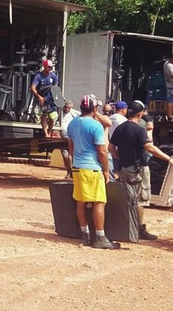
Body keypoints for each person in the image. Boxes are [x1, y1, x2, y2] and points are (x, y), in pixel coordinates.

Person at [109, 101, 173, 241]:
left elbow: (111, 148)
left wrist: (122, 158)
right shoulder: (139, 130)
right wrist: (170, 159)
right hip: (138, 169)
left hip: (124, 169)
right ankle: (139, 230)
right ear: (140, 114)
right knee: (140, 200)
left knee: (127, 198)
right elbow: (149, 147)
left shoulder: (120, 128)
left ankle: (127, 227)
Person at [67, 94, 118, 250]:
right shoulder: (95, 126)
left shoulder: (72, 124)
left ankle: (85, 235)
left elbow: (71, 147)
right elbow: (102, 151)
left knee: (81, 201)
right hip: (92, 168)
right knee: (99, 202)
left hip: (78, 167)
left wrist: (72, 163)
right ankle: (100, 237)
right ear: (95, 108)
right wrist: (106, 170)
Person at [30, 59, 59, 136]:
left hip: (50, 98)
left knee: (52, 116)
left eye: (51, 67)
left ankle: (49, 132)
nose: (51, 68)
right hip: (42, 98)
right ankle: (46, 133)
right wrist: (39, 97)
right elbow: (33, 88)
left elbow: (56, 88)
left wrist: (57, 98)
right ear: (45, 66)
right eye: (49, 67)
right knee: (44, 114)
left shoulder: (53, 76)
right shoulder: (38, 76)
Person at [60, 100, 81, 178]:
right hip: (62, 139)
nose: (67, 109)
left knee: (72, 156)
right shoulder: (59, 113)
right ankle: (69, 171)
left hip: (72, 139)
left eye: (69, 108)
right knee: (65, 156)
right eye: (66, 107)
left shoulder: (74, 113)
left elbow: (83, 118)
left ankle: (72, 173)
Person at [108, 101, 128, 172]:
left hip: (111, 146)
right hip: (120, 148)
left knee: (114, 169)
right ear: (123, 110)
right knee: (121, 170)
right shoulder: (123, 120)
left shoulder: (110, 118)